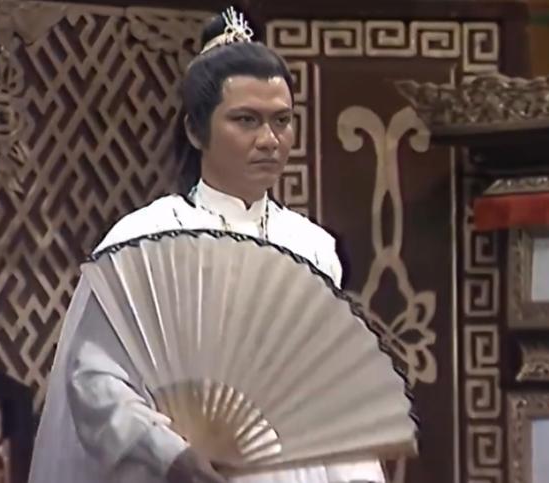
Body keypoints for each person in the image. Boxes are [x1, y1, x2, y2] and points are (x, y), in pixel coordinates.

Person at [27, 7, 385, 483]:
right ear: (195, 130)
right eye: (246, 120)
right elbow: (95, 379)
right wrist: (169, 454)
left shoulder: (313, 248)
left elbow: (334, 394)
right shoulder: (145, 241)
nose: (270, 140)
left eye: (282, 120)